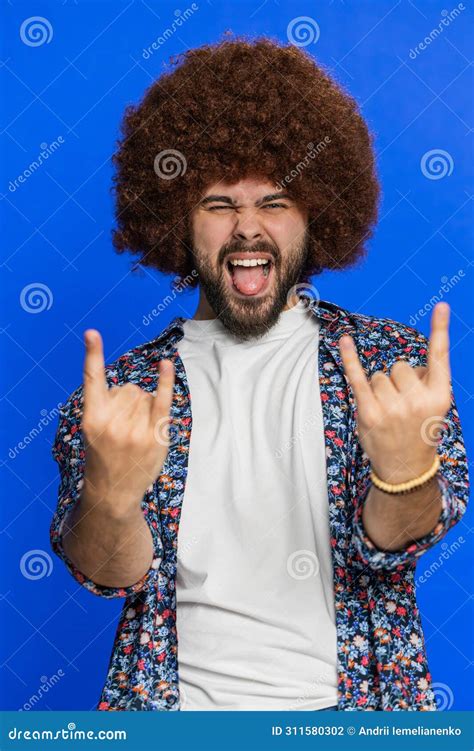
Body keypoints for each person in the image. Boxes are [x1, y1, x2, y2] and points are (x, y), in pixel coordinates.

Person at [50, 35, 469, 712]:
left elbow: (400, 537)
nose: (248, 229)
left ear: (318, 213)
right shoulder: (120, 400)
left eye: (275, 201)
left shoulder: (390, 367)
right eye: (219, 204)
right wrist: (110, 495)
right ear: (176, 219)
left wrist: (403, 471)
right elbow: (106, 571)